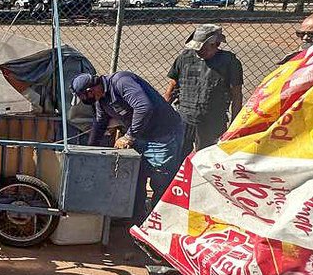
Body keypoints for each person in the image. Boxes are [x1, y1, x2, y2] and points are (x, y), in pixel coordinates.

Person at [71, 71, 184, 223]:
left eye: (83, 97)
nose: (84, 100)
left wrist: (129, 136)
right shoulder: (101, 98)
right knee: (135, 179)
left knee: (161, 180)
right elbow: (100, 123)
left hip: (162, 135)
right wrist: (89, 151)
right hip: (141, 135)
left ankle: (159, 222)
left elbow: (144, 107)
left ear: (90, 91)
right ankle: (135, 218)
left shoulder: (121, 82)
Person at [164, 24, 243, 156]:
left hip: (212, 121)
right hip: (184, 118)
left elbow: (236, 95)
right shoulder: (185, 57)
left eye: (203, 48)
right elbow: (172, 86)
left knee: (208, 159)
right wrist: (163, 110)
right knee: (176, 156)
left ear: (215, 44)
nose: (198, 52)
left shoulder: (229, 62)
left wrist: (234, 125)